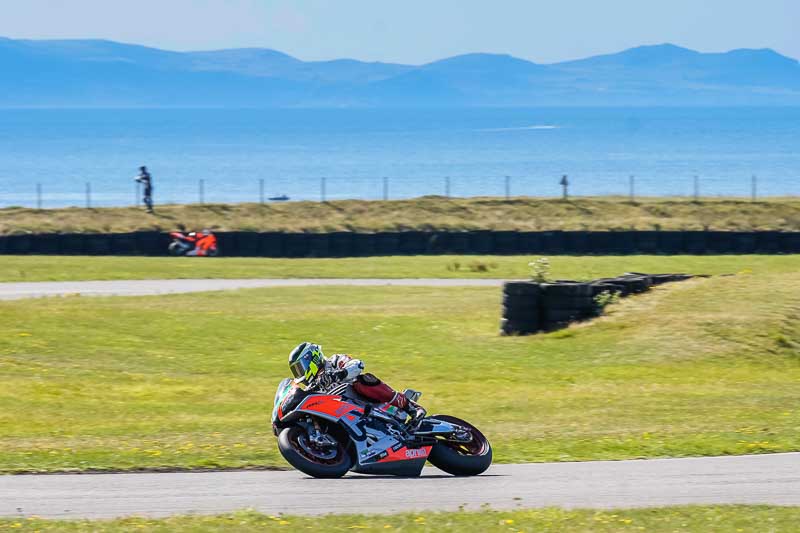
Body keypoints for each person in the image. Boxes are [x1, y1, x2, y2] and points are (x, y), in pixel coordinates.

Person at [288, 342, 425, 425]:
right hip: (347, 417)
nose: (299, 374)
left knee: (362, 381)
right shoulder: (310, 388)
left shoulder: (334, 361)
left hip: (369, 404)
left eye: (300, 368)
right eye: (296, 371)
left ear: (311, 359)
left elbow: (358, 364)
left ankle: (411, 407)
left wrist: (339, 374)